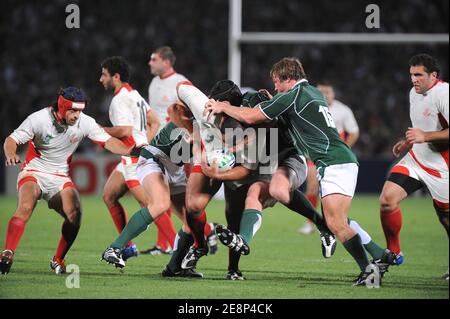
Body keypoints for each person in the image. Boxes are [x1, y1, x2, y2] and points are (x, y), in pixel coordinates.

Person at [205, 57, 396, 285]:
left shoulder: (294, 95)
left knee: (336, 223)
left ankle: (368, 271)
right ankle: (379, 255)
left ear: (288, 78)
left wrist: (222, 106)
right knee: (336, 219)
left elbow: (252, 115)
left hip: (333, 160)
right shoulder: (312, 92)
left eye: (277, 82)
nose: (275, 87)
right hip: (336, 160)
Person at [0, 87, 137, 275]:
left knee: (75, 215)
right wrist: (11, 153)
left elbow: (109, 142)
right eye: (73, 111)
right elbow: (11, 140)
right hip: (34, 172)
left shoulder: (85, 122)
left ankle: (58, 259)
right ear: (62, 107)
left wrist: (130, 150)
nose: (76, 115)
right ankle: (7, 253)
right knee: (25, 207)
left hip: (60, 178)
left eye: (79, 111)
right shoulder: (39, 119)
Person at [379, 54, 448, 280]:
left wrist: (425, 136)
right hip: (417, 159)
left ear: (433, 75)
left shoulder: (444, 94)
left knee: (445, 220)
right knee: (387, 200)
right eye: (411, 75)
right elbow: (421, 126)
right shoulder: (413, 93)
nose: (414, 79)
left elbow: (429, 132)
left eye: (418, 75)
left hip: (442, 166)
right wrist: (408, 141)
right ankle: (394, 252)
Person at [145, 46, 215, 255]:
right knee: (163, 196)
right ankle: (198, 234)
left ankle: (201, 232)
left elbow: (191, 112)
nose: (150, 63)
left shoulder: (180, 83)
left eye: (154, 59)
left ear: (167, 62)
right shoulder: (154, 83)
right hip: (161, 143)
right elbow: (154, 118)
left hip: (179, 144)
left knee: (177, 196)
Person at [99, 56, 161, 261]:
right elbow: (155, 121)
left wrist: (99, 131)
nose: (101, 79)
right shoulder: (134, 94)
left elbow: (125, 129)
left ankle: (199, 235)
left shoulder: (119, 99)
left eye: (104, 74)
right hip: (131, 155)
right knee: (109, 196)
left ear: (115, 76)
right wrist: (146, 142)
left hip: (134, 158)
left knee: (151, 206)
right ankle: (128, 246)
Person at [299, 82, 359, 235]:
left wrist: (343, 148)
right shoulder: (311, 106)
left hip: (335, 155)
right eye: (322, 92)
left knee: (332, 192)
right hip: (315, 153)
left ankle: (335, 221)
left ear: (333, 93)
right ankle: (311, 223)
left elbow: (354, 132)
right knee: (312, 187)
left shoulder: (343, 110)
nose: (325, 95)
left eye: (328, 92)